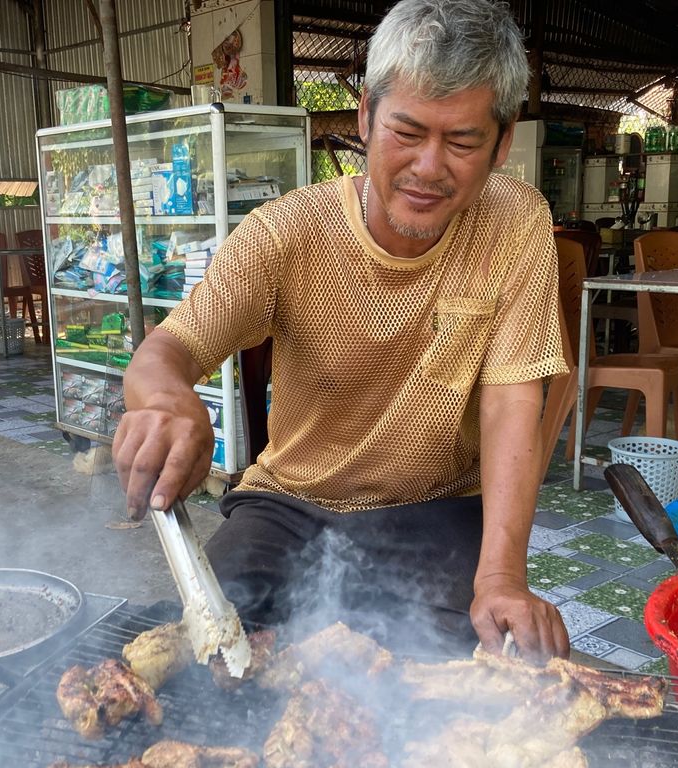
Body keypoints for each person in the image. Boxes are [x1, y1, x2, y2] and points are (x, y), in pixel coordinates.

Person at [114, 0, 570, 661]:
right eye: (406, 132)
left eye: (463, 141)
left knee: (468, 671)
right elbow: (171, 348)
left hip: (437, 507)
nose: (428, 168)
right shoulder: (286, 232)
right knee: (206, 653)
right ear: (364, 117)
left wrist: (501, 578)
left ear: (502, 143)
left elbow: (510, 402)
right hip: (290, 503)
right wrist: (164, 403)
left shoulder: (517, 223)